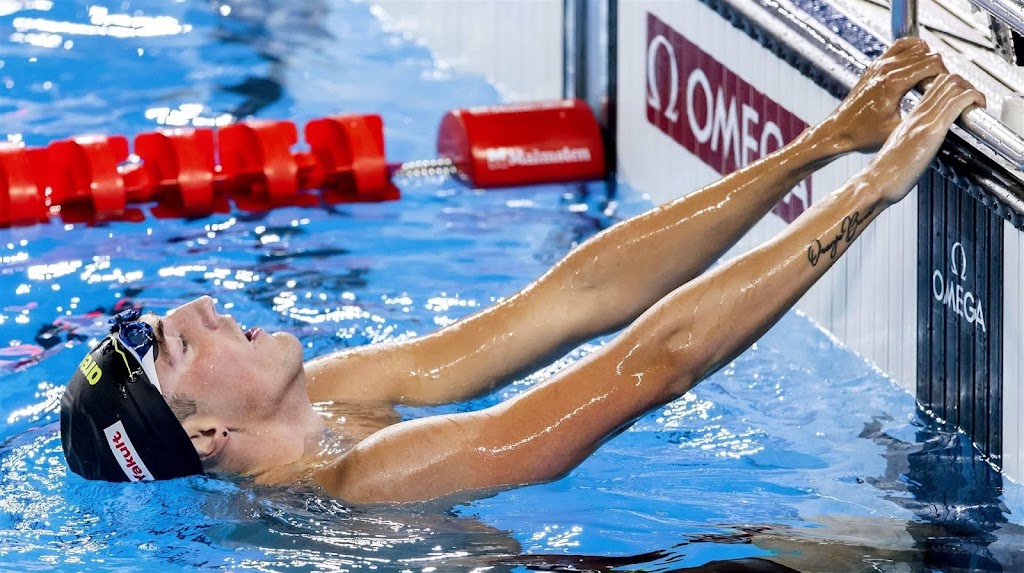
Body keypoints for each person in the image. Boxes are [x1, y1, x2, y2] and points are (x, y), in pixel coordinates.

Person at [60, 38, 985, 503]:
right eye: (184, 345)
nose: (212, 306)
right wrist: (870, 191)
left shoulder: (329, 398)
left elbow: (573, 301)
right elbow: (651, 368)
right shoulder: (364, 481)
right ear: (212, 434)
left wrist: (822, 146)